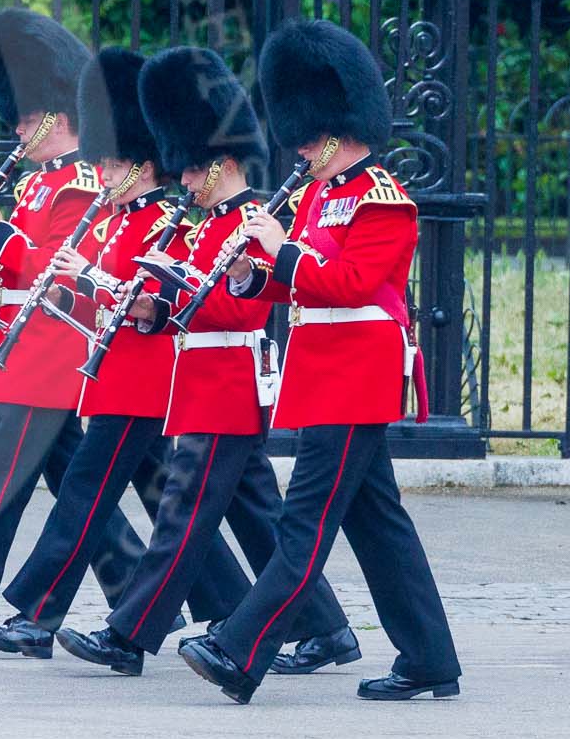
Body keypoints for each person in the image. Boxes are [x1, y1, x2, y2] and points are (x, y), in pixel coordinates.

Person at [178, 19, 460, 704]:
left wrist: (281, 253)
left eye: (309, 135)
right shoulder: (314, 197)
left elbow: (350, 284)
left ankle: (240, 647)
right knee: (378, 523)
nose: (300, 147)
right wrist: (249, 273)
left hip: (356, 379)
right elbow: (292, 282)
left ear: (341, 128)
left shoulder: (384, 201)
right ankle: (430, 656)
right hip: (324, 376)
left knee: (304, 523)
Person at [54, 46, 356, 678]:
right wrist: (143, 302)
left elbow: (241, 313)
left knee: (182, 515)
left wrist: (181, 290)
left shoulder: (251, 221)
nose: (183, 183)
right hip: (199, 384)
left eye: (191, 172)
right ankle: (328, 628)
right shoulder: (201, 228)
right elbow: (176, 305)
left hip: (226, 382)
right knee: (260, 516)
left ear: (216, 164)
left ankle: (128, 635)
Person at [0, 48, 251, 655]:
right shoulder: (117, 217)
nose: (102, 170)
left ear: (144, 162)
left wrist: (90, 279)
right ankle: (233, 604)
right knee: (170, 502)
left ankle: (38, 614)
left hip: (145, 374)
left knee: (83, 491)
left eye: (114, 160)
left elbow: (152, 295)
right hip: (113, 373)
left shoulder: (161, 218)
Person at [0, 9, 149, 642]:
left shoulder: (80, 181)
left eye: (27, 119)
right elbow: (10, 273)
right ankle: (141, 591)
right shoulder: (36, 184)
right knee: (79, 495)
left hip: (50, 352)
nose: (19, 130)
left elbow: (60, 275)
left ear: (58, 117)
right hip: (21, 345)